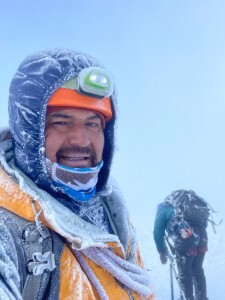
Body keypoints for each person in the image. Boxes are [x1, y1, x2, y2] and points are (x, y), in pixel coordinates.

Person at [0, 49, 153, 299]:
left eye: (92, 123)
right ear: (29, 132)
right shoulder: (8, 230)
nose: (81, 140)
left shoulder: (113, 215)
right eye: (61, 122)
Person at [153, 190, 209, 300]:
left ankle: (186, 298)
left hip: (185, 235)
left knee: (184, 271)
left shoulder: (163, 208)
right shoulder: (185, 207)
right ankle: (202, 298)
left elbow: (157, 232)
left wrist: (161, 251)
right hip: (202, 235)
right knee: (197, 268)